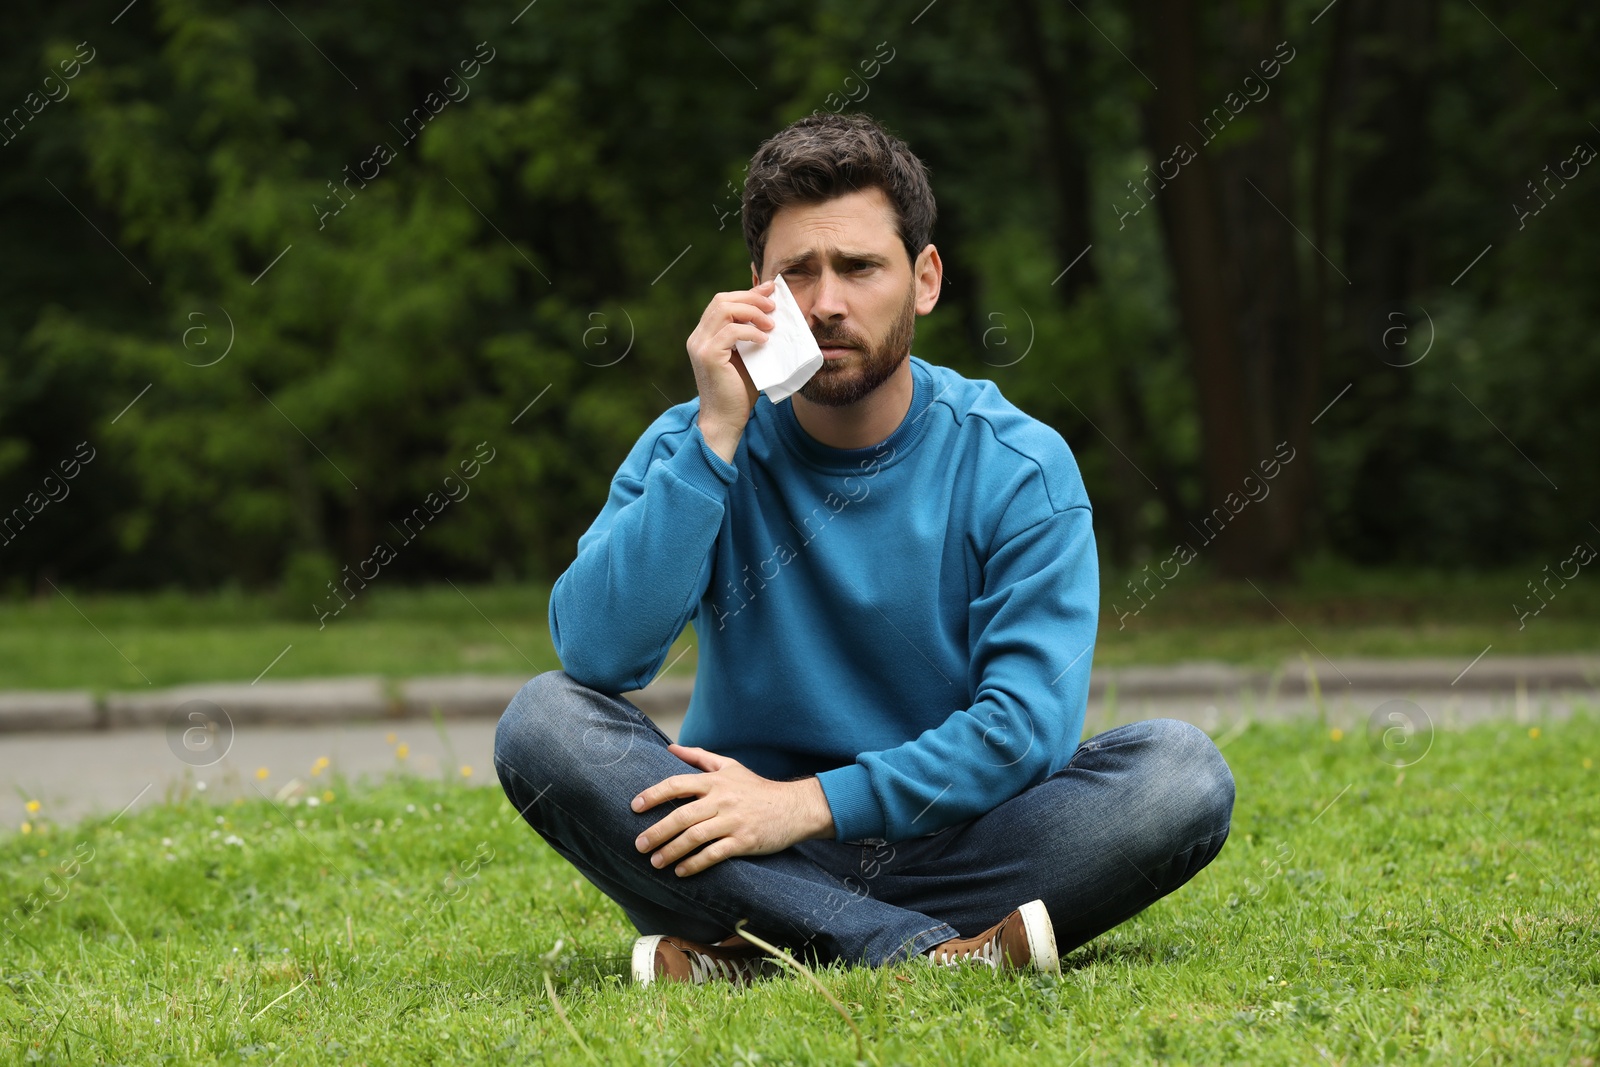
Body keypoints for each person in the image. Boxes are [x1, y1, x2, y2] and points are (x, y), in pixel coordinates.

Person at [494, 111, 1235, 986]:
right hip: (737, 843)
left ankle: (765, 952)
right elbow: (597, 652)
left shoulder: (1017, 463)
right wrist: (716, 441)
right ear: (754, 291)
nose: (825, 303)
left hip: (955, 844)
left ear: (924, 279)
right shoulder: (696, 439)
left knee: (1179, 772)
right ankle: (915, 949)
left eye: (858, 267)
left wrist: (804, 805)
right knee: (541, 721)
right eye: (795, 273)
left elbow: (1025, 729)